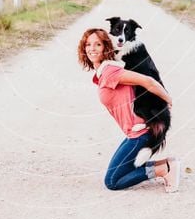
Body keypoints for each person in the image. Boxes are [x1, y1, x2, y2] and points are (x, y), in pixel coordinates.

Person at [77, 28, 182, 193]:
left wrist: (168, 100)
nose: (92, 48)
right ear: (83, 49)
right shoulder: (103, 73)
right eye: (88, 44)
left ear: (106, 47)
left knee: (112, 181)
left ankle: (164, 169)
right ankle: (166, 164)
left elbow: (147, 81)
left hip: (141, 133)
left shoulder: (110, 71)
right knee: (119, 171)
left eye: (98, 44)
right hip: (133, 133)